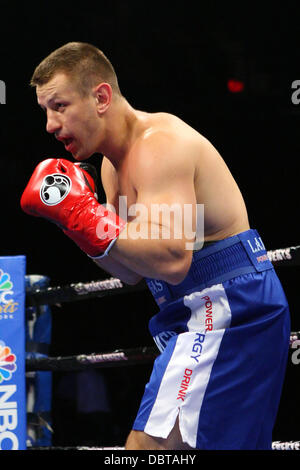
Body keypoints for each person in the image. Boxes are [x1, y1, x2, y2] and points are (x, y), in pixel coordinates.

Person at [21, 42, 290, 450]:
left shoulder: (159, 146)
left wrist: (84, 216)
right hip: (193, 311)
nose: (50, 124)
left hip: (228, 307)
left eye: (59, 106)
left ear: (100, 97)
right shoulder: (111, 167)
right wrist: (74, 223)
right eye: (45, 110)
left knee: (149, 450)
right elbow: (131, 267)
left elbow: (171, 259)